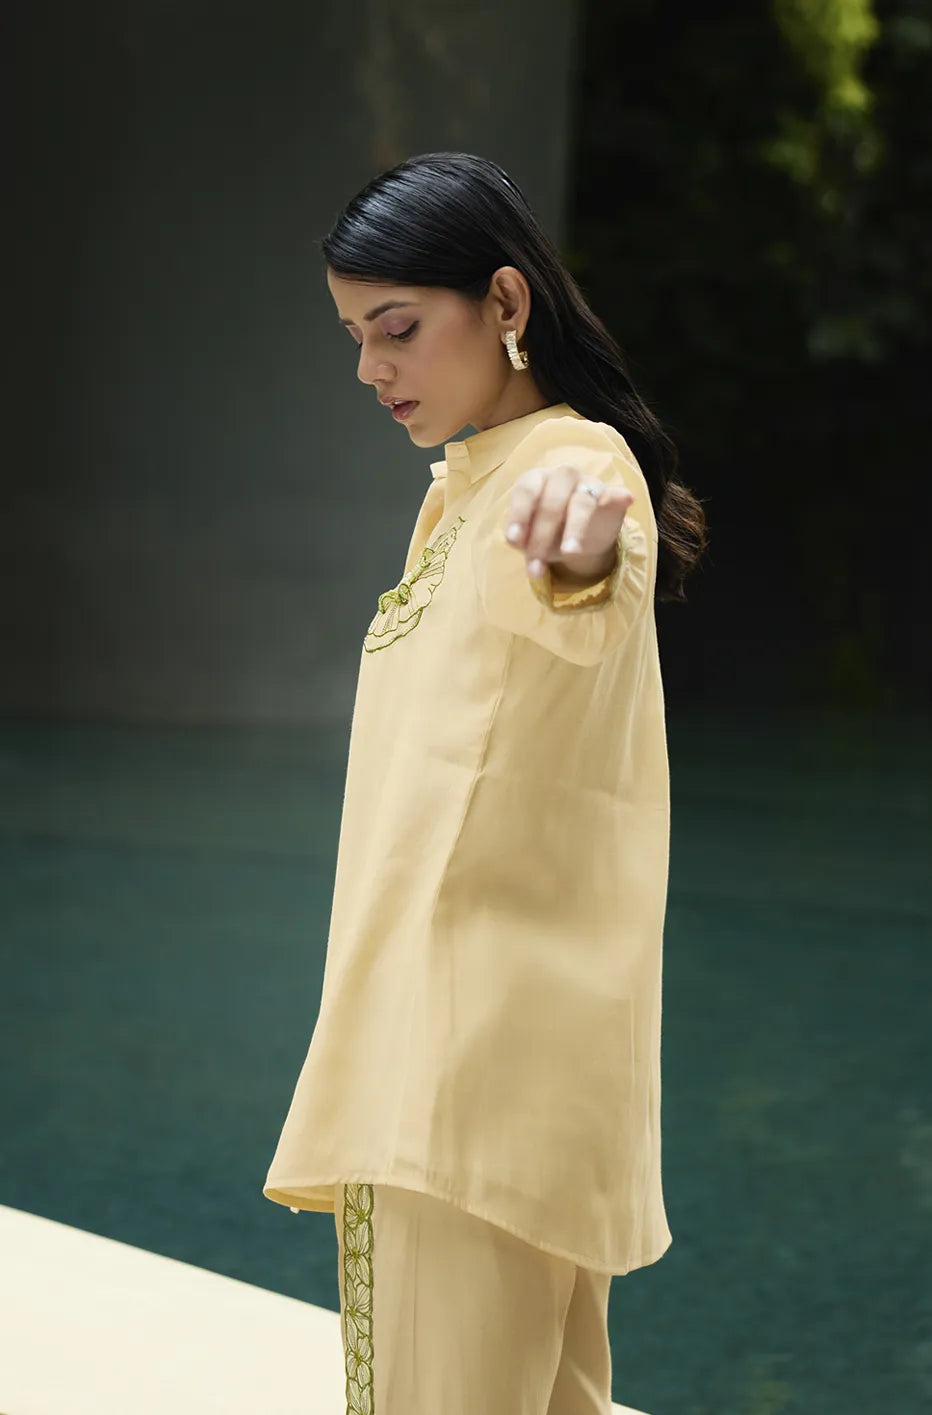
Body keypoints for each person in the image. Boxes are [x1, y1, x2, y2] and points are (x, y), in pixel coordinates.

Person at [263, 151, 708, 1415]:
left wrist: (579, 547)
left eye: (396, 327)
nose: (370, 368)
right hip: (490, 1069)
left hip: (458, 1077)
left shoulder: (568, 468)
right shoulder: (469, 487)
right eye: (355, 336)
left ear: (504, 302)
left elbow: (580, 577)